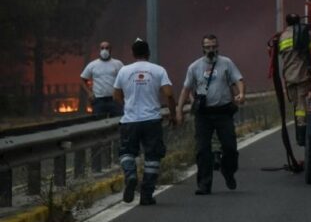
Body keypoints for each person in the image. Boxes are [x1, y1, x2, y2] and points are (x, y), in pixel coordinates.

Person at [176, 34, 245, 195]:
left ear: (218, 46)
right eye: (208, 47)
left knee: (230, 147)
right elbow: (186, 89)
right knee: (202, 150)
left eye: (214, 46)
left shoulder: (226, 63)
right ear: (203, 48)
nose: (211, 50)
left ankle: (228, 171)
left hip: (223, 111)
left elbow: (238, 79)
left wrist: (241, 93)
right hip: (204, 115)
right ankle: (204, 185)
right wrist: (179, 111)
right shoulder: (194, 67)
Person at [112, 38, 177, 206]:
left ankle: (130, 174)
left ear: (133, 54)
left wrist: (127, 104)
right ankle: (147, 194)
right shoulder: (158, 70)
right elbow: (169, 94)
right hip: (152, 121)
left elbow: (116, 95)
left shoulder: (124, 71)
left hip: (130, 121)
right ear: (148, 53)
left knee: (126, 152)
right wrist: (173, 115)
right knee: (153, 157)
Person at [277, 13, 311, 146]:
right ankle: (302, 134)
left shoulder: (282, 37)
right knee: (302, 106)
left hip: (289, 77)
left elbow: (280, 53)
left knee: (297, 105)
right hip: (303, 76)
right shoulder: (305, 34)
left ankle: (300, 131)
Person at [80, 40, 124, 117]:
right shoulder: (92, 65)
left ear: (110, 50)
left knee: (119, 121)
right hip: (98, 100)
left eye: (107, 48)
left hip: (114, 99)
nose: (104, 50)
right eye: (102, 48)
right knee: (97, 123)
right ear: (99, 50)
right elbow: (83, 79)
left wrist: (122, 94)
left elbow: (125, 79)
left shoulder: (118, 64)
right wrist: (89, 93)